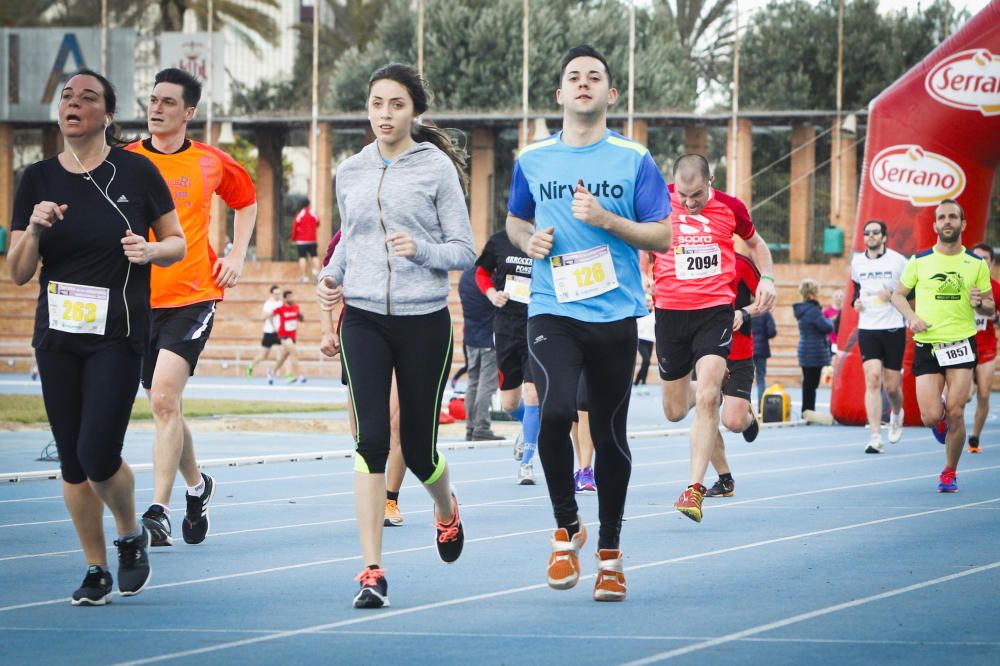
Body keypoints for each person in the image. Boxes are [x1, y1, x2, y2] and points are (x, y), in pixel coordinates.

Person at [8, 70, 186, 604]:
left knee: (97, 453)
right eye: (66, 96)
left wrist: (152, 251)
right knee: (71, 460)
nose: (74, 104)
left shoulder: (135, 171)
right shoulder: (36, 179)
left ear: (108, 115)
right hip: (58, 336)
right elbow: (16, 272)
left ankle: (130, 533)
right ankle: (95, 568)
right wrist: (36, 229)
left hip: (119, 333)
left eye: (88, 98)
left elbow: (176, 242)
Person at [506, 44, 672, 602]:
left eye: (594, 77)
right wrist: (528, 240)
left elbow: (664, 235)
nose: (583, 84)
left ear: (610, 93)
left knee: (608, 436)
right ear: (559, 94)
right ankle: (565, 527)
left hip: (615, 313)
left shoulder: (634, 158)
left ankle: (609, 552)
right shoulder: (532, 159)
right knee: (553, 412)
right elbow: (513, 219)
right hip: (552, 305)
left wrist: (606, 219)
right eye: (573, 77)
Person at [316, 63, 475, 609]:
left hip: (423, 320)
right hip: (361, 318)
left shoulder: (435, 171)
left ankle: (446, 510)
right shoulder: (350, 171)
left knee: (419, 447)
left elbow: (463, 248)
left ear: (414, 112)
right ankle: (372, 570)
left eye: (396, 105)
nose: (385, 114)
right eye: (377, 104)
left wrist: (424, 252)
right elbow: (349, 241)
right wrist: (331, 275)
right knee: (370, 441)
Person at [126, 67, 257, 548]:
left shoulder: (209, 161)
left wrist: (237, 254)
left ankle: (157, 510)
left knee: (162, 399)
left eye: (167, 102)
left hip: (193, 295)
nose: (156, 108)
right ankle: (198, 487)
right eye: (153, 100)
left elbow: (247, 201)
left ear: (189, 112)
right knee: (167, 407)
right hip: (137, 299)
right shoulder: (125, 160)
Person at [653, 156, 776, 523]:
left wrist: (767, 278)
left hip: (714, 311)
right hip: (670, 313)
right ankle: (715, 395)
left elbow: (759, 247)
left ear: (711, 180)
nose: (689, 203)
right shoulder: (658, 200)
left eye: (696, 195)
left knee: (707, 397)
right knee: (675, 411)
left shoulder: (731, 207)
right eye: (684, 195)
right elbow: (635, 238)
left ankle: (694, 489)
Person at [890, 200, 994, 492]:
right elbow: (898, 296)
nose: (947, 221)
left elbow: (989, 306)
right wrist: (911, 317)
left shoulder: (975, 264)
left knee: (957, 411)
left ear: (962, 224)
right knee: (931, 416)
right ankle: (940, 422)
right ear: (935, 225)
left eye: (953, 217)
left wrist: (980, 304)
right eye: (942, 217)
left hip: (962, 343)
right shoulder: (919, 261)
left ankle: (949, 471)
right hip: (928, 345)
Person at [320, 231, 407, 527]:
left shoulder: (411, 223)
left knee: (397, 423)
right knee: (364, 429)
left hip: (408, 327)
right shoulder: (348, 231)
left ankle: (390, 499)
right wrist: (327, 329)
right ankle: (372, 486)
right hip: (360, 332)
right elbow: (327, 281)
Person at [475, 229, 540, 484]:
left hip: (537, 325)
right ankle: (529, 427)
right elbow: (481, 273)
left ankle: (527, 464)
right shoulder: (500, 241)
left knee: (533, 395)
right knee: (510, 403)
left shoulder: (544, 241)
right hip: (505, 328)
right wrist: (492, 294)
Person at [705, 253, 764, 498]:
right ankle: (724, 479)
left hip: (739, 353)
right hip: (705, 351)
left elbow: (766, 299)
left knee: (733, 422)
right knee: (705, 412)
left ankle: (748, 418)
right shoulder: (690, 259)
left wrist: (744, 313)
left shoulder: (742, 263)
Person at [850, 219, 909, 454]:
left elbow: (910, 294)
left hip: (893, 327)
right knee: (873, 379)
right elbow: (856, 291)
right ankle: (875, 436)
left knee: (892, 387)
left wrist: (892, 294)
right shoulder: (857, 262)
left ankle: (896, 412)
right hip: (868, 327)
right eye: (867, 233)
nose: (871, 236)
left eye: (875, 233)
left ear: (884, 237)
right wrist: (856, 304)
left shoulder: (898, 261)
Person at [457, 266, 500, 442]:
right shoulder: (491, 278)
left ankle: (471, 426)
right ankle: (482, 427)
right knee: (486, 385)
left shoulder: (465, 276)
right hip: (489, 337)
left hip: (470, 337)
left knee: (473, 383)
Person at [968, 243, 999, 453]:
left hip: (986, 347)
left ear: (991, 263)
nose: (980, 262)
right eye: (976, 258)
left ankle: (975, 438)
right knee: (964, 395)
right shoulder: (962, 283)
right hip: (963, 345)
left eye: (985, 259)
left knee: (984, 395)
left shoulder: (996, 288)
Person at [794, 279, 834, 417]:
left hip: (805, 349)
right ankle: (808, 411)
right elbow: (827, 327)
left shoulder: (803, 309)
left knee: (808, 383)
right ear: (811, 295)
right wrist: (830, 320)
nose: (819, 295)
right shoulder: (814, 310)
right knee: (812, 384)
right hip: (814, 351)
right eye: (817, 293)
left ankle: (806, 410)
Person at [245, 284, 282, 378]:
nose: (277, 295)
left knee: (286, 352)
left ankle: (277, 372)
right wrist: (273, 326)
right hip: (269, 332)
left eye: (279, 293)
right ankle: (250, 366)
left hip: (280, 332)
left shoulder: (281, 303)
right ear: (272, 294)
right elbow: (264, 316)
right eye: (276, 293)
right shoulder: (268, 304)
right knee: (263, 356)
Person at [272, 289, 305, 384]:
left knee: (283, 357)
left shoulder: (296, 307)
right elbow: (269, 316)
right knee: (294, 353)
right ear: (285, 298)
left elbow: (301, 320)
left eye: (292, 296)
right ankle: (299, 376)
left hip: (292, 336)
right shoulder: (281, 308)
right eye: (290, 297)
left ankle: (271, 372)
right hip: (283, 335)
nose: (292, 298)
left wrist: (301, 315)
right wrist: (274, 326)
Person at [751, 309, 777, 409]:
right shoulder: (765, 313)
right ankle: (761, 409)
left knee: (746, 379)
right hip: (762, 349)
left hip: (748, 349)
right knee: (760, 379)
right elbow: (772, 332)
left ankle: (746, 409)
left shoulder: (746, 311)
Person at [291, 199, 320, 282]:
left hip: (301, 241)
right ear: (309, 204)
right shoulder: (314, 213)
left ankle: (304, 277)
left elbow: (295, 228)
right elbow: (318, 223)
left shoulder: (299, 215)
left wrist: (293, 238)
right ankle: (317, 274)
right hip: (312, 240)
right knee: (314, 256)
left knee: (302, 257)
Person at [634, 294, 655, 390]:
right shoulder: (639, 314)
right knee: (646, 360)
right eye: (646, 301)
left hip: (650, 340)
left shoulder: (654, 315)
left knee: (647, 362)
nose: (648, 303)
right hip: (641, 339)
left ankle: (641, 381)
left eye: (649, 301)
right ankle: (640, 381)